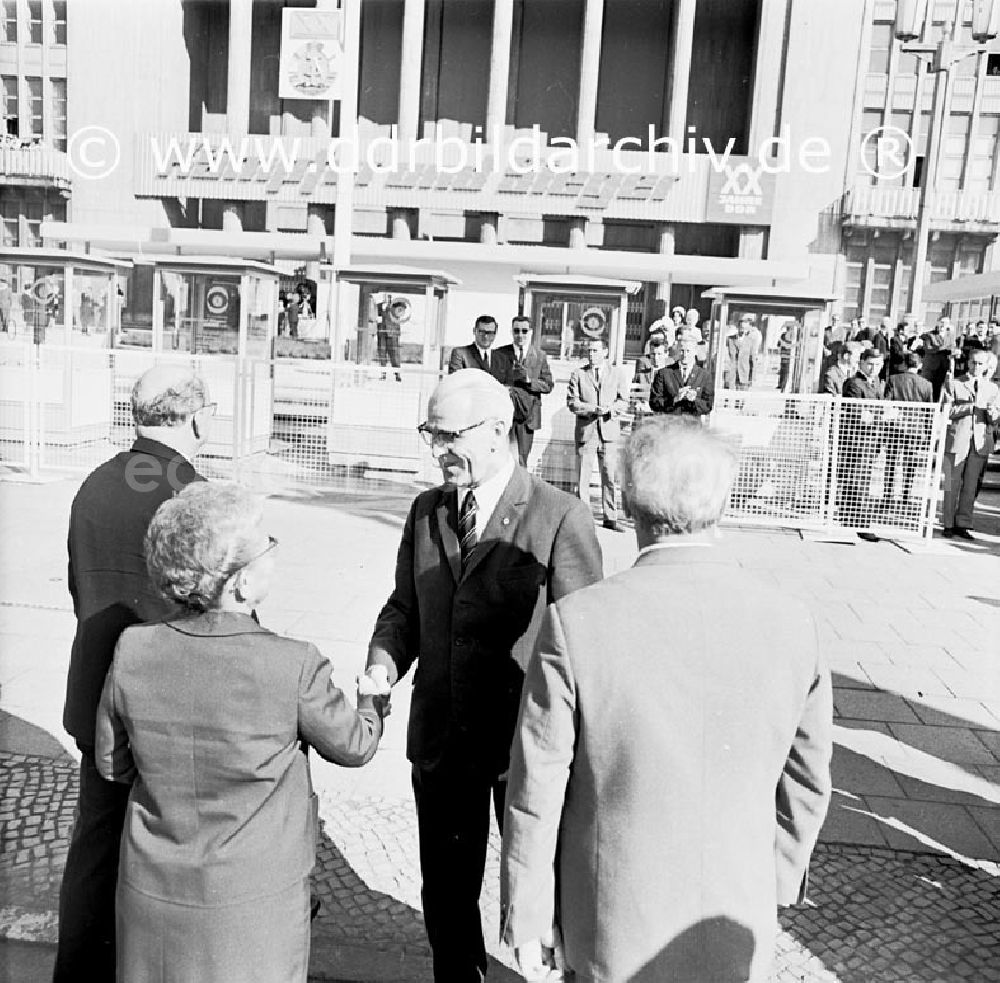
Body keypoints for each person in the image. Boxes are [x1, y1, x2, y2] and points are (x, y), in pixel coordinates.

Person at [500, 417, 833, 983]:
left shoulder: (577, 623)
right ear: (724, 501)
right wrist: (775, 875)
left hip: (610, 916)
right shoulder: (793, 623)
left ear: (628, 501)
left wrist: (530, 914)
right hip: (734, 909)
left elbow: (538, 785)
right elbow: (807, 779)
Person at [365, 369, 602, 983]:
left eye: (450, 436)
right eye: (430, 434)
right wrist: (382, 663)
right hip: (443, 744)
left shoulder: (559, 517)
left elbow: (589, 650)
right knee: (446, 898)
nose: (438, 451)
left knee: (543, 899)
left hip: (524, 751)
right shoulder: (426, 511)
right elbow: (404, 608)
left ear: (499, 431)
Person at [95, 482, 385, 983]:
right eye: (266, 543)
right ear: (241, 585)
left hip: (154, 891)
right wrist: (371, 700)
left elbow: (114, 763)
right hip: (254, 902)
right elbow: (355, 744)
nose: (274, 550)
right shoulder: (292, 665)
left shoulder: (133, 649)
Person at [54, 366, 214, 981]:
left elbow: (78, 583)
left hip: (95, 689)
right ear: (196, 418)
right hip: (165, 705)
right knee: (158, 857)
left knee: (94, 847)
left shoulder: (94, 484)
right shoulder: (191, 493)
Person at [568, 337, 630, 532]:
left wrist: (611, 409)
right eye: (589, 351)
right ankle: (582, 519)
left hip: (609, 431)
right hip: (587, 431)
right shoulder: (578, 374)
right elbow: (572, 402)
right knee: (582, 478)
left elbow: (624, 401)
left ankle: (610, 517)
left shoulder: (617, 374)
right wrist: (593, 409)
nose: (591, 355)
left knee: (609, 476)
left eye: (595, 351)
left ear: (605, 352)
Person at [940, 348, 1000, 540]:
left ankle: (963, 523)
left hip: (979, 442)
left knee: (970, 486)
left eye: (980, 364)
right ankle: (947, 523)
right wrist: (969, 407)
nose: (976, 367)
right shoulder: (954, 383)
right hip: (956, 440)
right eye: (973, 362)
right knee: (951, 483)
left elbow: (995, 418)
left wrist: (993, 414)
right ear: (968, 363)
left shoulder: (992, 389)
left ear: (986, 366)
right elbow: (945, 411)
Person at [495, 315, 553, 467]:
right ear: (511, 332)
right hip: (505, 414)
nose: (520, 335)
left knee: (521, 460)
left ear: (531, 332)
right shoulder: (500, 354)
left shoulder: (540, 356)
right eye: (516, 331)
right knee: (501, 457)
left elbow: (548, 385)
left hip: (528, 417)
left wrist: (528, 380)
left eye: (524, 331)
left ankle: (520, 490)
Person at [882, 352, 934, 514]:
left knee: (891, 462)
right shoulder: (926, 384)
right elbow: (929, 411)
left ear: (904, 364)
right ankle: (906, 495)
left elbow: (887, 403)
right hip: (916, 429)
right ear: (919, 366)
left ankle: (887, 496)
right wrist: (928, 432)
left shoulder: (894, 380)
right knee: (910, 463)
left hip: (895, 427)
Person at [838, 349, 885, 526]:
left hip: (873, 439)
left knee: (860, 478)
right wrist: (881, 416)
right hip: (857, 439)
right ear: (861, 364)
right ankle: (858, 519)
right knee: (858, 479)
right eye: (870, 364)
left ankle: (850, 516)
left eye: (878, 365)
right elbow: (858, 413)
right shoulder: (854, 383)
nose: (874, 368)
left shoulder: (878, 383)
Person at [649, 327, 714, 416]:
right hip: (670, 425)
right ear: (677, 351)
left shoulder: (704, 375)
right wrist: (674, 399)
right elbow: (654, 403)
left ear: (695, 351)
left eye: (688, 351)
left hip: (693, 426)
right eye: (682, 351)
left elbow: (708, 406)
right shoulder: (664, 373)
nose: (685, 355)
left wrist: (694, 400)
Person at [448, 314, 510, 382]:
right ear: (474, 331)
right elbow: (455, 383)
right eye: (482, 332)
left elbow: (508, 387)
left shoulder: (503, 359)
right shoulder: (460, 353)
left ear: (495, 334)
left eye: (490, 333)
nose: (485, 336)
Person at [376, 296, 406, 381]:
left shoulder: (396, 306)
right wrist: (382, 304)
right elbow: (377, 312)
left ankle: (397, 374)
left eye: (389, 298)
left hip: (392, 334)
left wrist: (393, 304)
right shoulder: (382, 307)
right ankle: (383, 374)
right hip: (382, 333)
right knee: (382, 354)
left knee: (394, 354)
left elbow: (402, 309)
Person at [726, 315, 759, 390]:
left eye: (744, 327)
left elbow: (753, 357)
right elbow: (729, 355)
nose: (742, 329)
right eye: (741, 326)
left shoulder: (752, 339)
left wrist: (753, 375)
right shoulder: (731, 339)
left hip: (745, 371)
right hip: (733, 371)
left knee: (743, 394)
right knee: (732, 393)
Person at [777, 321, 796, 390]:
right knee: (784, 370)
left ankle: (782, 384)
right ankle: (782, 384)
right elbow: (779, 344)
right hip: (786, 355)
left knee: (784, 370)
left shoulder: (787, 335)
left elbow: (780, 344)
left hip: (786, 355)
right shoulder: (788, 336)